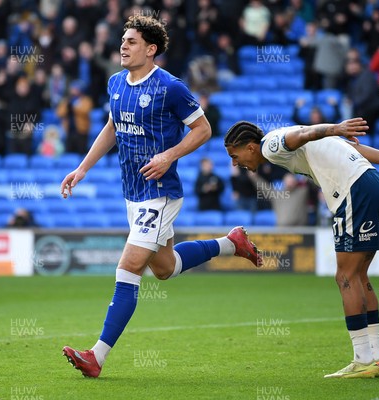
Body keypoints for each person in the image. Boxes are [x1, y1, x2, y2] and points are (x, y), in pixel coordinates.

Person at [60, 16, 261, 379]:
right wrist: (83, 168)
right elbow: (112, 127)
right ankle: (231, 244)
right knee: (165, 268)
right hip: (132, 192)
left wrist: (169, 156)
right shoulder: (115, 83)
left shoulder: (171, 87)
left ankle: (97, 356)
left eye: (132, 41)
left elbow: (203, 129)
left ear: (151, 49)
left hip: (160, 193)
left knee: (128, 267)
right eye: (123, 40)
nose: (123, 46)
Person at [224, 118, 379, 378]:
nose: (236, 163)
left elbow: (303, 134)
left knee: (345, 277)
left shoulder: (270, 145)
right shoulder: (296, 139)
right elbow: (355, 149)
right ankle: (376, 358)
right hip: (377, 185)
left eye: (235, 156)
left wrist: (334, 127)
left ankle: (363, 359)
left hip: (354, 192)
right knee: (358, 275)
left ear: (249, 147)